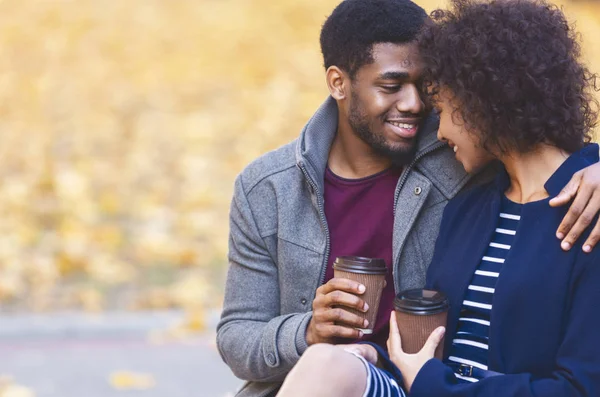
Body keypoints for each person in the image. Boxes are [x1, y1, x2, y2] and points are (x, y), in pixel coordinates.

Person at [216, 0, 600, 396]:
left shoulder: (466, 168)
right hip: (357, 377)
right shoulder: (267, 188)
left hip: (428, 384)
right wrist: (310, 331)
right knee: (324, 363)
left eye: (429, 90)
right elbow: (236, 336)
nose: (417, 106)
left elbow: (534, 125)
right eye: (391, 85)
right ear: (338, 82)